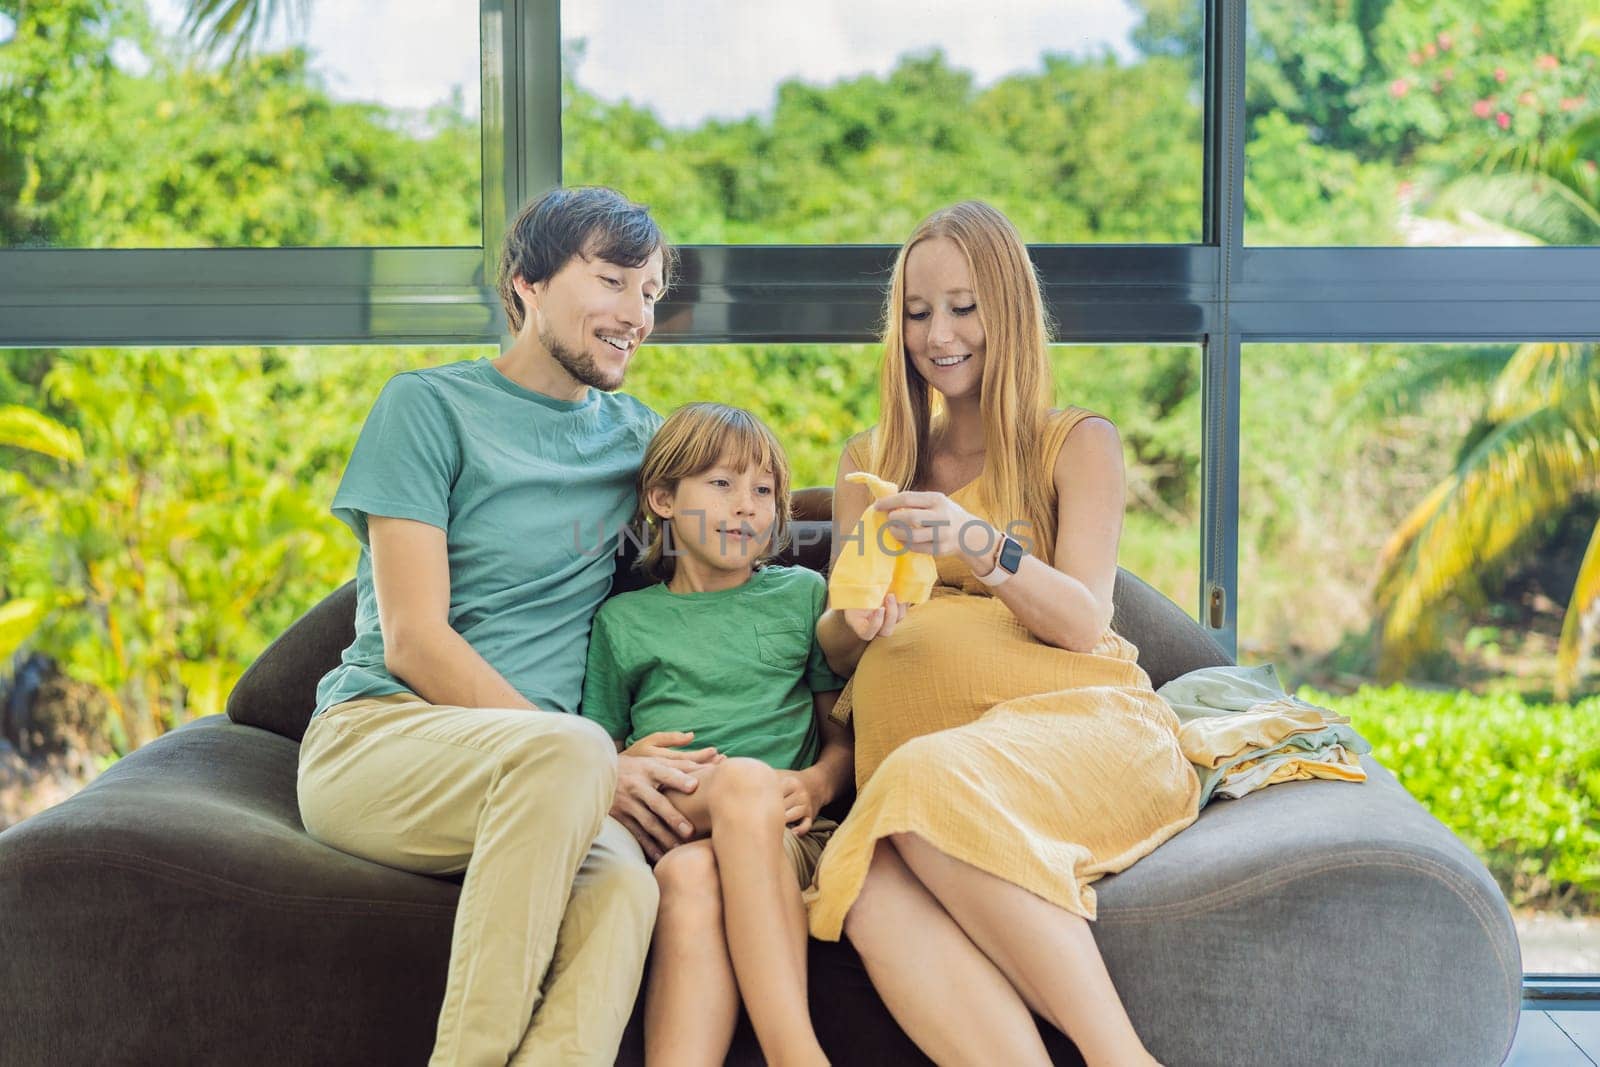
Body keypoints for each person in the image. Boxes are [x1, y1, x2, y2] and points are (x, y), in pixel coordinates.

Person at [295, 185, 711, 1066]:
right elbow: (412, 638)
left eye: (650, 292)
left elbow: (741, 526)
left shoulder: (640, 443)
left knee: (627, 891)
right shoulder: (426, 408)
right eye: (611, 281)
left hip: (549, 773)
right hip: (382, 740)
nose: (636, 313)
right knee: (570, 754)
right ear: (526, 283)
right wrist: (585, 759)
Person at [805, 200, 1203, 1067]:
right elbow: (835, 647)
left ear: (1010, 311)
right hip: (922, 778)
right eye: (916, 312)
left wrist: (977, 544)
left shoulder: (1076, 444)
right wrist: (860, 623)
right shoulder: (869, 460)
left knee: (917, 779)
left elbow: (1085, 619)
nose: (937, 332)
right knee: (866, 888)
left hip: (1080, 735)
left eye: (963, 305)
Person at [581, 402, 851, 1067]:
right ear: (663, 498)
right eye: (722, 484)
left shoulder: (802, 596)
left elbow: (841, 733)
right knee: (735, 786)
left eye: (764, 491)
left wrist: (820, 781)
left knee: (691, 877)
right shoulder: (624, 622)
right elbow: (594, 745)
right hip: (672, 811)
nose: (746, 507)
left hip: (783, 834)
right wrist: (620, 760)